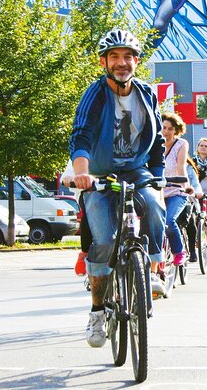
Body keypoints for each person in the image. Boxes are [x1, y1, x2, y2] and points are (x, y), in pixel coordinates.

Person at [69, 29, 166, 348]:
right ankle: (97, 312)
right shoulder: (95, 94)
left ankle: (152, 269)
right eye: (114, 57)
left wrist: (159, 174)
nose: (122, 63)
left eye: (128, 56)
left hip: (135, 170)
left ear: (136, 61)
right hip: (99, 173)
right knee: (105, 242)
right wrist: (81, 174)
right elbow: (81, 136)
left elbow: (157, 139)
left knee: (153, 203)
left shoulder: (146, 93)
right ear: (103, 62)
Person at [161, 112, 192, 267]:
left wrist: (185, 186)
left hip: (176, 190)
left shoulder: (181, 144)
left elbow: (180, 166)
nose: (165, 131)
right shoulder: (155, 143)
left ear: (176, 130)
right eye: (163, 128)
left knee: (168, 221)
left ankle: (179, 252)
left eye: (170, 129)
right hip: (158, 190)